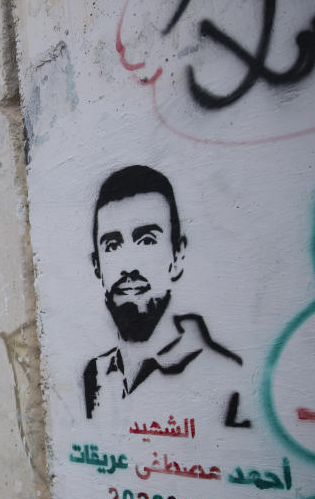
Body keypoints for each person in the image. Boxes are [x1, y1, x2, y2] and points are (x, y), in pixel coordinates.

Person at [83, 165, 241, 419]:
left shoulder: (225, 379)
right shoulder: (96, 374)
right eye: (112, 245)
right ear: (97, 265)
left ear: (177, 255)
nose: (128, 266)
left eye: (146, 240)